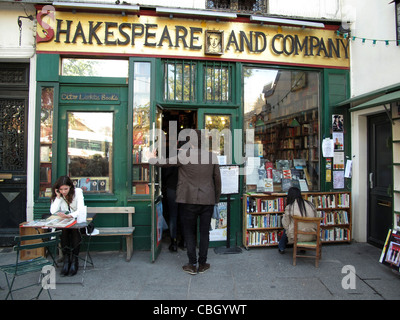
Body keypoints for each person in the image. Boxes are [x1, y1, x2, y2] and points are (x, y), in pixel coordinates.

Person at [149, 129, 221, 274]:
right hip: (207, 199)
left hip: (188, 200)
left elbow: (164, 163)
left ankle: (191, 264)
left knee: (188, 232)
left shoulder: (184, 155)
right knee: (204, 232)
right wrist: (216, 199)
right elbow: (217, 181)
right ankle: (202, 263)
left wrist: (151, 158)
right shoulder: (212, 157)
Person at [50, 175, 86, 276]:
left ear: (70, 187)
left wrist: (70, 215)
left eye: (66, 188)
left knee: (75, 230)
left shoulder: (78, 192)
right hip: (64, 224)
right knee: (64, 230)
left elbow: (81, 209)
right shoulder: (59, 195)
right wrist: (58, 198)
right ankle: (66, 260)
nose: (64, 191)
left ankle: (74, 260)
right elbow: (53, 211)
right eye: (61, 189)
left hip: (77, 221)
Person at [278, 187, 317, 254]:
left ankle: (281, 247)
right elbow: (316, 219)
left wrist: (283, 218)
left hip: (297, 236)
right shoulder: (311, 205)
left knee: (287, 227)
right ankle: (302, 248)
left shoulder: (290, 207)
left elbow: (285, 225)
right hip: (312, 235)